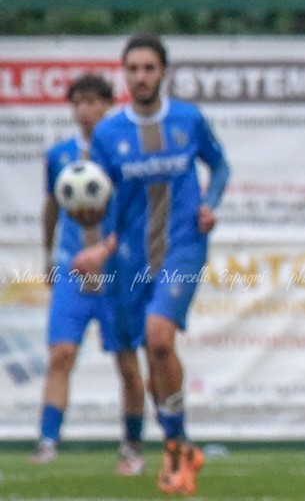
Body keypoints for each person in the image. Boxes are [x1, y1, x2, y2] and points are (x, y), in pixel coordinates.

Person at [73, 33, 230, 496]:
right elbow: (100, 203)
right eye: (133, 69)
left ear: (163, 72)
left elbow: (219, 167)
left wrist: (210, 203)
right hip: (129, 257)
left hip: (183, 245)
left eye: (149, 68)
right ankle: (179, 442)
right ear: (125, 75)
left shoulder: (188, 119)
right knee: (147, 354)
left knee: (160, 337)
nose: (141, 77)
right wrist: (97, 249)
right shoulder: (108, 134)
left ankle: (176, 445)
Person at [32, 73, 146, 476]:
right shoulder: (60, 155)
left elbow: (135, 213)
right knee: (61, 354)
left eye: (94, 101)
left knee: (127, 362)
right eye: (78, 102)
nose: (85, 109)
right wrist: (48, 255)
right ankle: (47, 442)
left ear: (107, 105)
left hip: (116, 273)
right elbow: (51, 206)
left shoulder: (122, 153)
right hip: (71, 269)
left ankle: (132, 446)